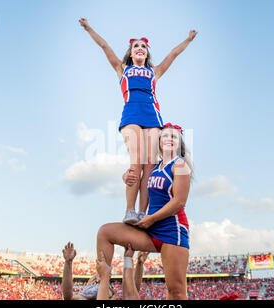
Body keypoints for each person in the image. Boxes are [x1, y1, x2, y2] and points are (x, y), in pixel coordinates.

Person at [79, 18, 197, 224]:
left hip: (152, 116)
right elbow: (104, 45)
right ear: (131, 52)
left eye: (143, 46)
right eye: (136, 46)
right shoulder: (121, 68)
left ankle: (143, 213)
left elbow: (173, 54)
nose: (140, 48)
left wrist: (188, 39)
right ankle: (129, 210)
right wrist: (89, 28)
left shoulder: (154, 72)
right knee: (136, 162)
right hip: (131, 114)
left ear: (147, 53)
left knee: (150, 165)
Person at [97, 123, 193, 299]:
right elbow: (136, 174)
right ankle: (100, 282)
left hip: (172, 231)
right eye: (165, 136)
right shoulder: (154, 167)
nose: (169, 139)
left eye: (174, 137)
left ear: (180, 144)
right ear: (158, 141)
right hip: (150, 229)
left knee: (176, 291)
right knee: (105, 232)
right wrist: (125, 176)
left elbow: (179, 201)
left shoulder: (179, 166)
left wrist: (151, 219)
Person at [62, 241, 148, 300]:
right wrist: (68, 262)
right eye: (95, 280)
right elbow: (68, 296)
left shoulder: (111, 292)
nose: (96, 280)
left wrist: (139, 264)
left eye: (97, 278)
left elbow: (133, 291)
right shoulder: (83, 294)